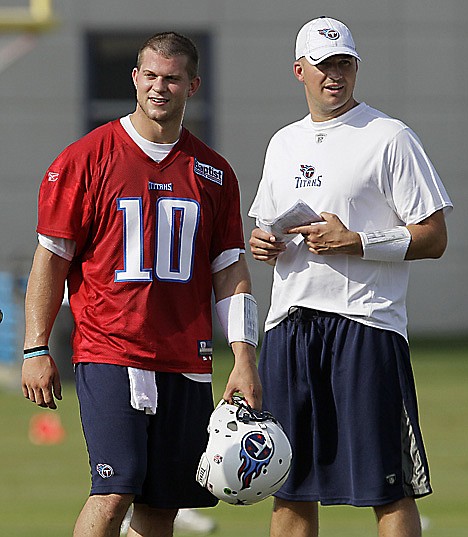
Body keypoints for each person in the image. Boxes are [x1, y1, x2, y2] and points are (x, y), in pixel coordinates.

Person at [22, 31, 261, 537]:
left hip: (187, 359)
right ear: (135, 78)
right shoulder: (86, 157)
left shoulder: (214, 173)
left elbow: (230, 271)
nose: (159, 88)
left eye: (172, 79)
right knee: (114, 490)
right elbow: (52, 259)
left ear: (192, 85)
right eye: (150, 76)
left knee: (161, 506)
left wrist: (243, 357)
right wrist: (35, 348)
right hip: (111, 348)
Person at [249, 16, 452, 537]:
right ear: (300, 71)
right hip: (289, 328)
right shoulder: (283, 143)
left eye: (344, 64)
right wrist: (265, 243)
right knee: (288, 489)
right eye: (323, 65)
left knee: (388, 488)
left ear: (356, 68)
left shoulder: (390, 137)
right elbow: (266, 227)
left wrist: (357, 241)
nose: (334, 75)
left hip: (365, 326)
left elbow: (433, 237)